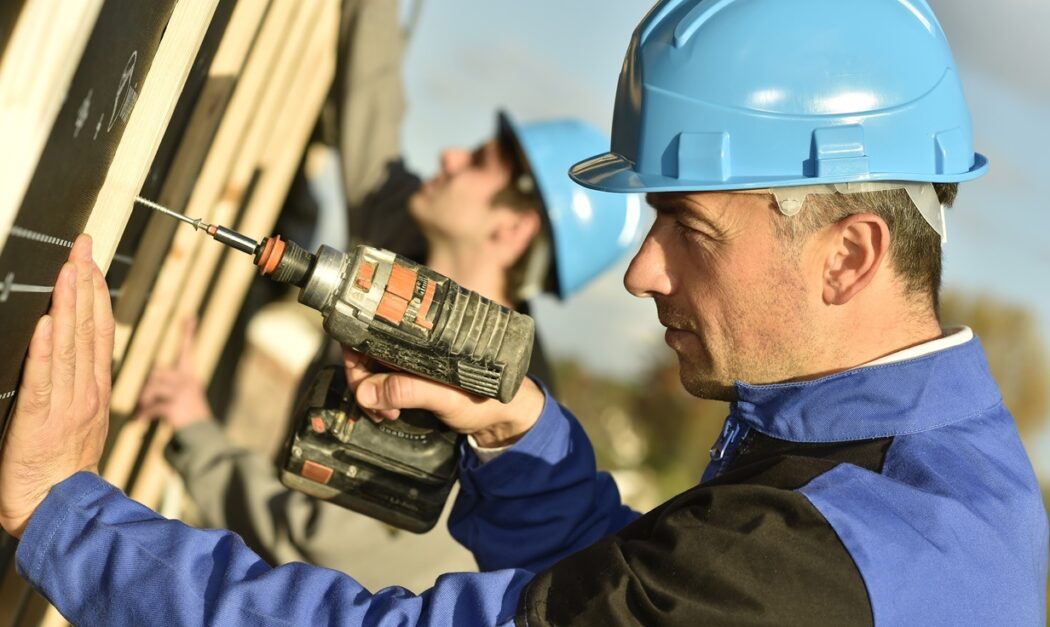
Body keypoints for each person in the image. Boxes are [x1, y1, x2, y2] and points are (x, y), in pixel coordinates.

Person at [1, 1, 1046, 625]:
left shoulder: (814, 568)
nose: (642, 273)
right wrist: (521, 442)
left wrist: (63, 511)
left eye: (689, 228)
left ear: (847, 255)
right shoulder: (925, 487)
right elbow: (635, 596)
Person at [139, 110, 641, 579]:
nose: (450, 156)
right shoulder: (395, 246)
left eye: (479, 162)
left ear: (514, 228)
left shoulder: (503, 442)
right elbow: (371, 101)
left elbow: (317, 545)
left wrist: (197, 435)